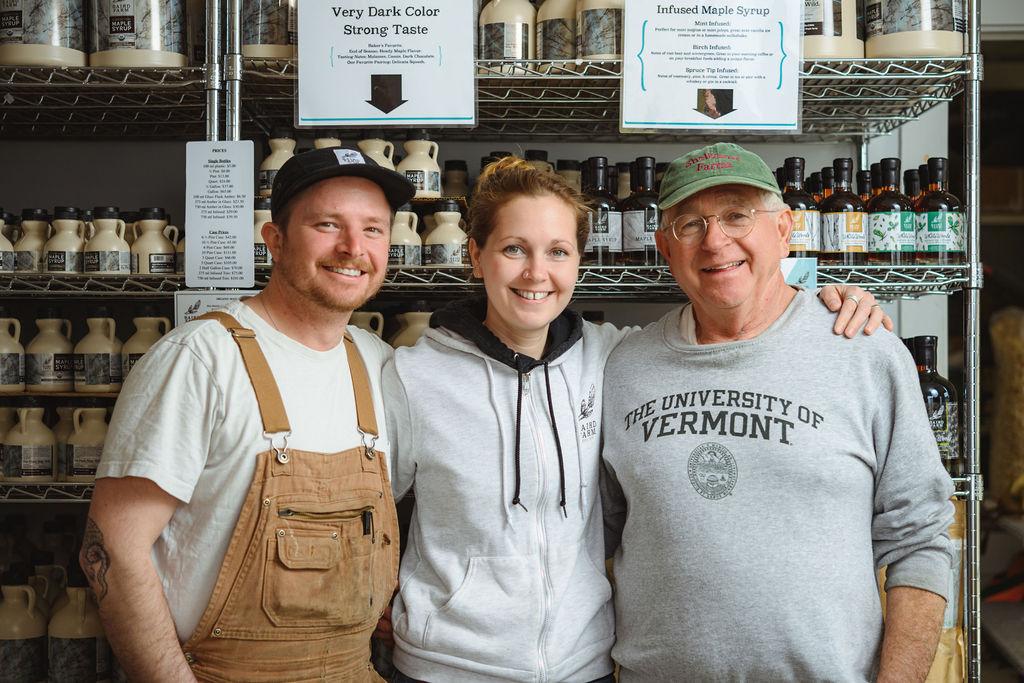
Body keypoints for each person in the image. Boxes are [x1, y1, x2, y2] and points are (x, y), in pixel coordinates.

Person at [379, 156, 891, 683]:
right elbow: (368, 511)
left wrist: (833, 301)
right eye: (514, 249)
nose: (536, 273)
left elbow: (741, 329)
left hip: (583, 665)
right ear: (476, 256)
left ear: (579, 260)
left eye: (558, 251)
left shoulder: (615, 359)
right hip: (444, 666)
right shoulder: (415, 374)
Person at [600, 143, 955, 681]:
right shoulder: (623, 367)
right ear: (664, 249)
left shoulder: (864, 350)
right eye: (689, 224)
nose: (715, 241)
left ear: (785, 228)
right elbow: (595, 534)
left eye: (737, 215)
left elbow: (920, 539)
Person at [80, 148, 413, 682]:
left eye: (373, 229)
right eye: (327, 225)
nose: (354, 248)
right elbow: (113, 550)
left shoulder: (377, 362)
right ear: (275, 240)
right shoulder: (200, 358)